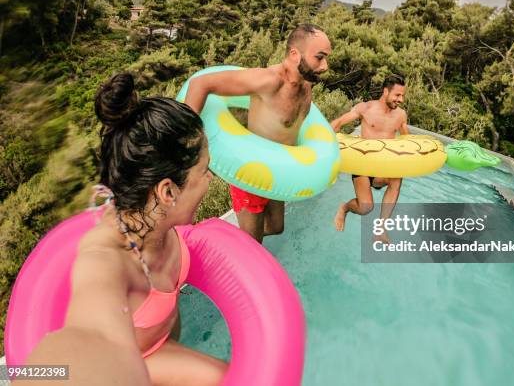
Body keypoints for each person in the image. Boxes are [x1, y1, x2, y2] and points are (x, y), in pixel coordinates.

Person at [22, 73, 226, 385]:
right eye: (204, 171)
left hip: (164, 345)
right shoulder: (105, 258)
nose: (211, 178)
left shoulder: (154, 213)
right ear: (168, 191)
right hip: (137, 366)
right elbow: (91, 336)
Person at [184, 24, 332, 243]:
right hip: (251, 171)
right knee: (254, 245)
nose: (325, 66)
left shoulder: (306, 84)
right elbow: (200, 84)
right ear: (294, 54)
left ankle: (235, 240)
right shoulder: (269, 81)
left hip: (279, 170)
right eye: (319, 57)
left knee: (276, 227)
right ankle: (223, 243)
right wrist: (187, 142)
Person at [330, 75, 409, 243]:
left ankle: (380, 230)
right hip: (363, 166)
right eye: (397, 95)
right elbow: (338, 124)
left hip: (383, 168)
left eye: (402, 95)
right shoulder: (366, 108)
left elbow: (406, 141)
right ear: (386, 91)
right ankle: (344, 208)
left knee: (397, 177)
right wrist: (322, 143)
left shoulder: (401, 115)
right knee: (366, 207)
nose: (401, 99)